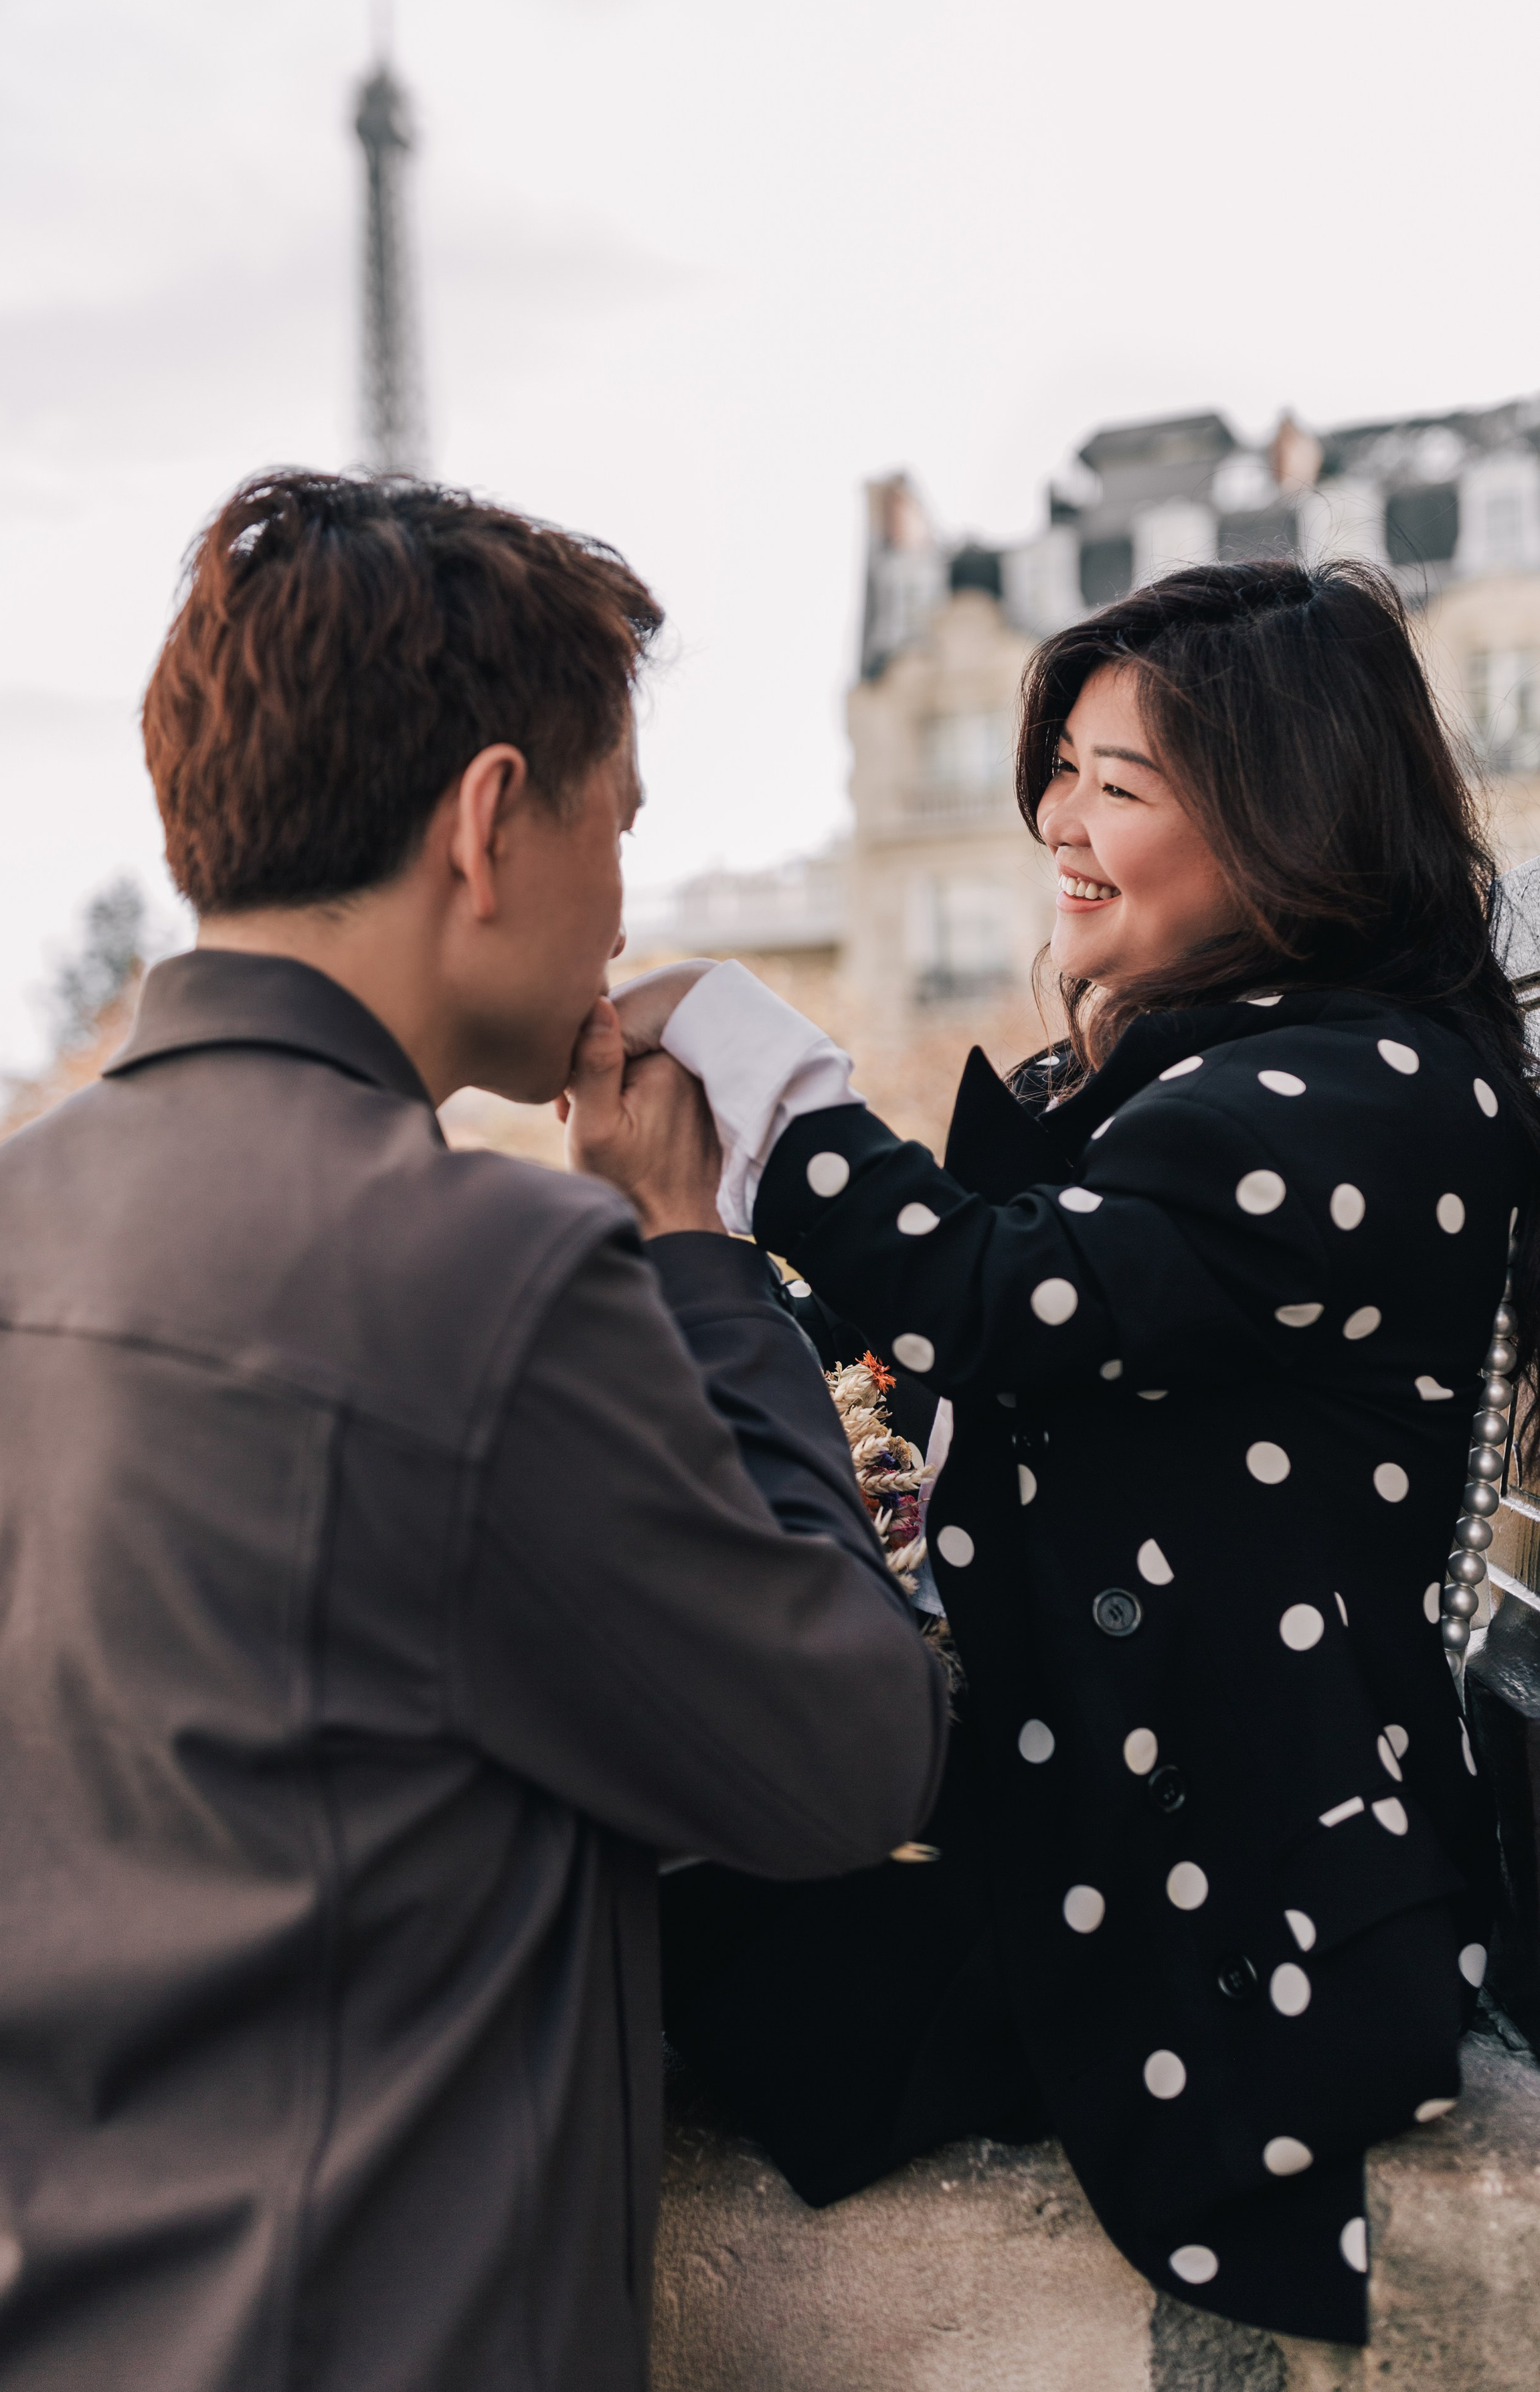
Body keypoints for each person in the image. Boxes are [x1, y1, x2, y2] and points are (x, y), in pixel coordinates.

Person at [0, 471, 946, 2392]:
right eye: (618, 828)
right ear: (492, 821)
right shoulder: (484, 1276)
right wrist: (695, 1254)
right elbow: (845, 1755)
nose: (624, 903)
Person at [614, 557, 1540, 2348]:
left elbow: (997, 1295)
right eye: (1062, 774)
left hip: (1218, 1923)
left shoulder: (1377, 1095)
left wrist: (758, 1065)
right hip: (1113, 1819)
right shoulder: (1190, 1080)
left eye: (1122, 783)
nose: (1060, 821)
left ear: (1292, 819)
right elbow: (941, 1335)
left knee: (642, 1930)